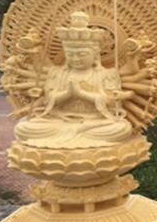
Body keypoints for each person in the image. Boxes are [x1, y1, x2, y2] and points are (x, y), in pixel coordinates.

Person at [14, 11, 133, 149]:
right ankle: (75, 137)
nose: (76, 59)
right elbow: (48, 99)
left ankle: (72, 137)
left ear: (95, 55)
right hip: (59, 120)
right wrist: (67, 94)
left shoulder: (107, 74)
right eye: (70, 54)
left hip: (95, 122)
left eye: (82, 54)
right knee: (24, 127)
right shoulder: (56, 73)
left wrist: (82, 94)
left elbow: (112, 102)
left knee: (120, 128)